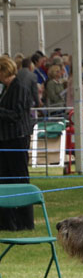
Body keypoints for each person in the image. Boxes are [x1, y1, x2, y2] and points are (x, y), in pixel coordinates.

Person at [0, 55, 34, 231]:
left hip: (16, 139)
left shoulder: (18, 87)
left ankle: (25, 221)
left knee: (19, 178)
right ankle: (7, 221)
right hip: (5, 140)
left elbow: (17, 114)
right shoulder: (6, 89)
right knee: (5, 180)